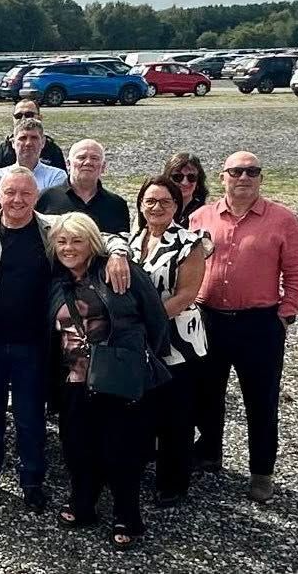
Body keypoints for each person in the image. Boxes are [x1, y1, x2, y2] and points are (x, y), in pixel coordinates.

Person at [0, 166, 132, 512]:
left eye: (26, 194)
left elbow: (100, 238)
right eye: (10, 193)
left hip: (34, 346)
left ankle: (32, 480)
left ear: (37, 196)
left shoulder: (53, 230)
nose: (17, 200)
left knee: (30, 416)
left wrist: (120, 252)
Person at [189, 151, 298, 503]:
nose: (244, 177)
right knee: (207, 394)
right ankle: (209, 452)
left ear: (260, 178)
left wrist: (286, 313)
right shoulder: (201, 217)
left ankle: (262, 472)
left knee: (261, 400)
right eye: (237, 171)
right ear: (223, 176)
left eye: (252, 172)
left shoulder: (283, 220)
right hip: (209, 318)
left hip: (259, 324)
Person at [48, 213, 169, 550]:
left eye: (77, 240)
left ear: (92, 243)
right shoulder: (56, 279)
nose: (68, 248)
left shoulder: (118, 271)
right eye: (62, 241)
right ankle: (83, 503)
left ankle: (127, 515)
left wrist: (137, 358)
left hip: (119, 377)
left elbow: (156, 319)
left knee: (122, 450)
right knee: (77, 446)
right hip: (74, 379)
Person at [127, 176, 210, 507]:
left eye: (165, 202)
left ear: (177, 206)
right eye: (150, 201)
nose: (156, 207)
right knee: (145, 405)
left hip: (178, 341)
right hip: (140, 341)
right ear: (141, 205)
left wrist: (148, 320)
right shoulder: (133, 240)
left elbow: (187, 293)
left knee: (176, 414)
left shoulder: (190, 244)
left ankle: (174, 481)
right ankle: (146, 463)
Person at [39, 139, 130, 234]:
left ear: (103, 167)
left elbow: (122, 242)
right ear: (68, 164)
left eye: (94, 158)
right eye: (82, 157)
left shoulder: (117, 205)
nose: (88, 162)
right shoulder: (46, 198)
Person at [0, 100, 67, 170]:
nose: (23, 119)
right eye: (18, 116)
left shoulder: (53, 150)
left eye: (29, 115)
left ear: (40, 118)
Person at [0, 118, 66, 191]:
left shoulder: (56, 176)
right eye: (23, 138)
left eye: (34, 138)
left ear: (43, 142)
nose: (28, 143)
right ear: (13, 143)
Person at [161, 152, 209, 228]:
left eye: (191, 177)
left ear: (198, 181)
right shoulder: (155, 208)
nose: (185, 182)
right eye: (177, 177)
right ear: (167, 178)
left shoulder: (206, 213)